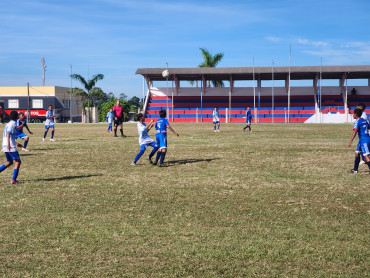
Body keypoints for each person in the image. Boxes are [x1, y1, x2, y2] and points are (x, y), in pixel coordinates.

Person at [0, 110, 21, 184]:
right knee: (18, 161)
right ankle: (13, 180)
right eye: (18, 115)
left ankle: (13, 179)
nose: (19, 116)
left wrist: (16, 143)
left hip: (5, 144)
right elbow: (8, 133)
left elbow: (10, 135)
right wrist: (9, 144)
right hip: (9, 145)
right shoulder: (13, 124)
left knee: (9, 162)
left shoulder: (9, 123)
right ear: (16, 116)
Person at [348, 108, 370, 174]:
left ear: (356, 114)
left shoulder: (357, 121)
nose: (352, 115)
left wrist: (351, 141)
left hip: (364, 140)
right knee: (357, 152)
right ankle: (355, 170)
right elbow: (368, 128)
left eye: (353, 114)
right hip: (364, 139)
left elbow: (355, 131)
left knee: (366, 155)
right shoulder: (365, 120)